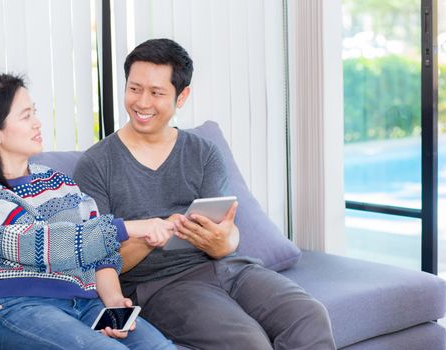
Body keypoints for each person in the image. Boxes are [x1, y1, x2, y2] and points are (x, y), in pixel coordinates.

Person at [73, 38, 336, 350]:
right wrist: (149, 235)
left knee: (309, 316)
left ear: (182, 96)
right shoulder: (96, 164)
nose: (142, 102)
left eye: (156, 93)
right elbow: (97, 259)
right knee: (248, 343)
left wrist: (222, 241)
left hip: (232, 269)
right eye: (134, 89)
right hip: (161, 286)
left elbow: (227, 236)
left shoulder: (202, 152)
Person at [0, 73, 177, 350]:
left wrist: (114, 302)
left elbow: (99, 252)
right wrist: (126, 227)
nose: (37, 123)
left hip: (87, 304)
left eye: (35, 113)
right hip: (17, 307)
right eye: (25, 116)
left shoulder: (59, 182)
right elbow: (36, 243)